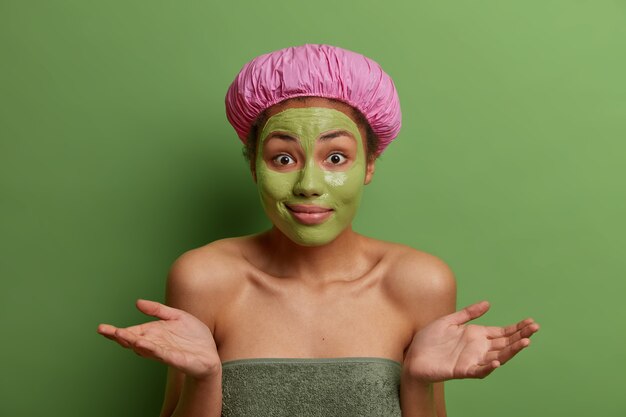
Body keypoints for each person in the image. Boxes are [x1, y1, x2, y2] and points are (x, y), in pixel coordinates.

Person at [98, 44, 539, 417]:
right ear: (254, 167)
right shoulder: (204, 278)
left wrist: (417, 381)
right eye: (283, 158)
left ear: (368, 165)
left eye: (335, 158)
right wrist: (205, 378)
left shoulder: (419, 281)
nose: (308, 185)